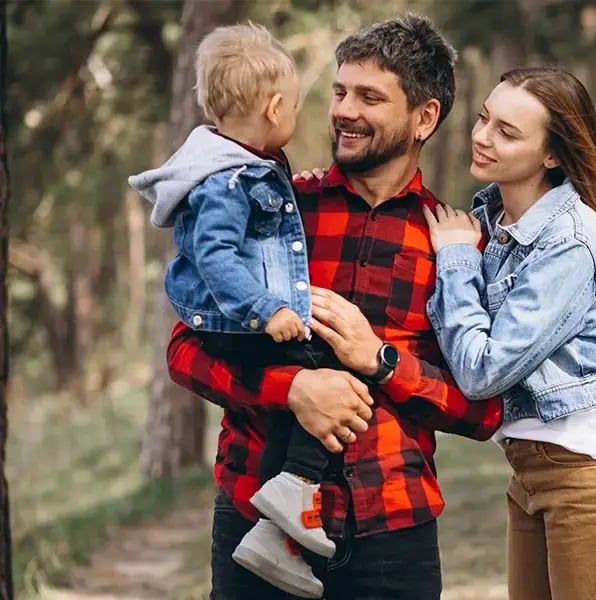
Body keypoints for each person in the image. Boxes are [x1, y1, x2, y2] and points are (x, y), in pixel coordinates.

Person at [164, 13, 503, 600]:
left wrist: (382, 361)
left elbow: (483, 410)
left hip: (392, 538)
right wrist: (291, 388)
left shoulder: (453, 245)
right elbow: (185, 349)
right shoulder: (275, 211)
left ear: (424, 117)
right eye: (340, 91)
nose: (344, 110)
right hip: (253, 519)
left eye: (370, 97)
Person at [423, 67, 596, 600]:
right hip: (533, 472)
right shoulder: (493, 227)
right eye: (485, 118)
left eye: (508, 132)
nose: (483, 136)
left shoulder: (569, 240)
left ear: (552, 154)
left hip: (593, 475)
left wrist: (458, 261)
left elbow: (483, 369)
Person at [128, 23, 353, 598]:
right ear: (275, 107)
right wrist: (264, 308)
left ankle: (279, 526)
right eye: (298, 106)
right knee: (327, 364)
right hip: (236, 319)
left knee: (305, 391)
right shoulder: (228, 179)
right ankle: (295, 490)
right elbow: (217, 255)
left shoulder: (238, 163)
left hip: (233, 317)